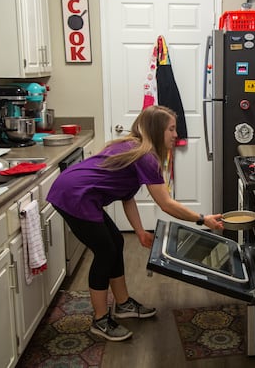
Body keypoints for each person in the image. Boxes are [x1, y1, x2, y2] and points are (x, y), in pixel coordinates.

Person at [46, 105, 224, 341]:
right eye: (171, 129)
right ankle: (100, 320)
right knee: (105, 252)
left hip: (77, 191)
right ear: (157, 129)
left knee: (116, 242)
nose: (175, 134)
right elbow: (166, 204)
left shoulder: (134, 147)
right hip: (73, 195)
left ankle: (123, 304)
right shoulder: (146, 157)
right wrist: (203, 219)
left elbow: (126, 194)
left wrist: (139, 231)